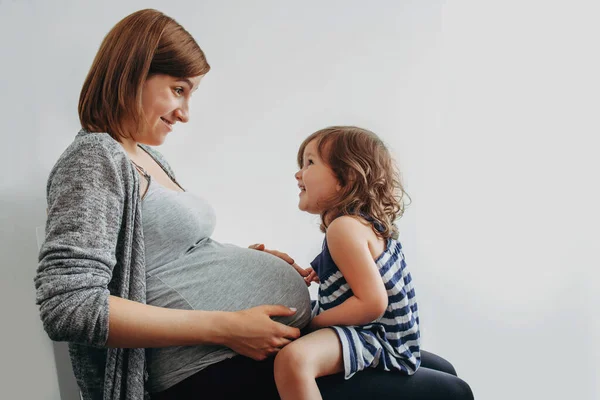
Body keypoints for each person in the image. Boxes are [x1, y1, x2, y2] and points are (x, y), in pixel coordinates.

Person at [35, 8, 474, 400]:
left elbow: (168, 256)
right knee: (449, 392)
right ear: (132, 73)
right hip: (204, 369)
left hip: (251, 349)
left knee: (443, 370)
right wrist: (227, 326)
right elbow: (69, 306)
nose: (185, 112)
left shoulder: (148, 156)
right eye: (177, 89)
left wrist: (245, 260)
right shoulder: (94, 158)